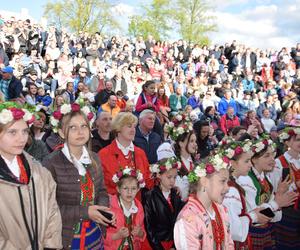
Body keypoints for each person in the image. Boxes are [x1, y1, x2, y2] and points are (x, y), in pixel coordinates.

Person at [43, 102, 115, 249]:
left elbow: (101, 191)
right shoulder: (51, 163)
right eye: (72, 128)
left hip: (94, 233)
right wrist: (86, 212)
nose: (80, 132)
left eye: (84, 126)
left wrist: (102, 210)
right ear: (62, 133)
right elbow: (48, 208)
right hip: (67, 237)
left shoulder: (94, 158)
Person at [0, 102, 62, 249]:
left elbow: (52, 211)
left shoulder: (38, 171)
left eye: (25, 131)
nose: (21, 138)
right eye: (13, 132)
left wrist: (50, 246)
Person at [238, 137, 298, 249]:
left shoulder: (265, 179)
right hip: (251, 234)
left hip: (265, 231)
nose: (273, 160)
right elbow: (256, 215)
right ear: (254, 159)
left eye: (272, 155)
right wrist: (277, 203)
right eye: (267, 156)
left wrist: (279, 194)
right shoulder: (246, 180)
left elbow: (275, 217)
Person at [174, 154, 234, 249]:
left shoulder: (222, 210)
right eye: (223, 181)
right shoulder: (188, 219)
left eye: (228, 182)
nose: (228, 188)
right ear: (204, 181)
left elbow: (229, 244)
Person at [222, 140, 271, 249]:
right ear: (233, 163)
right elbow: (235, 230)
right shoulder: (230, 190)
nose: (250, 164)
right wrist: (253, 216)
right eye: (246, 161)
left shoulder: (235, 183)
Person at [98, 112, 152, 196]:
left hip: (137, 206)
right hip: (113, 206)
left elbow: (148, 180)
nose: (133, 130)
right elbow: (100, 186)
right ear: (118, 128)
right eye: (129, 126)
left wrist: (161, 180)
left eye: (134, 127)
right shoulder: (103, 154)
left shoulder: (140, 153)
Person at [144, 143, 185, 249]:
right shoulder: (150, 197)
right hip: (158, 244)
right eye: (169, 177)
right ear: (159, 175)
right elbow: (149, 228)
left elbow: (181, 219)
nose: (172, 181)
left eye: (175, 177)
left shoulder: (176, 195)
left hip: (174, 242)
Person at [270, 127, 300, 249]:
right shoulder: (279, 163)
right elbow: (275, 188)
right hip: (289, 210)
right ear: (287, 142)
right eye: (298, 140)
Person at [104, 167, 146, 249]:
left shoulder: (139, 207)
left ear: (138, 189)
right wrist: (116, 236)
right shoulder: (109, 206)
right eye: (125, 188)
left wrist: (140, 233)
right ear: (118, 189)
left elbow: (142, 231)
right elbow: (100, 233)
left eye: (133, 188)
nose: (129, 192)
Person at [166, 114, 196, 201]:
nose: (195, 144)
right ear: (181, 143)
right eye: (191, 141)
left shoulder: (194, 163)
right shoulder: (173, 163)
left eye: (195, 141)